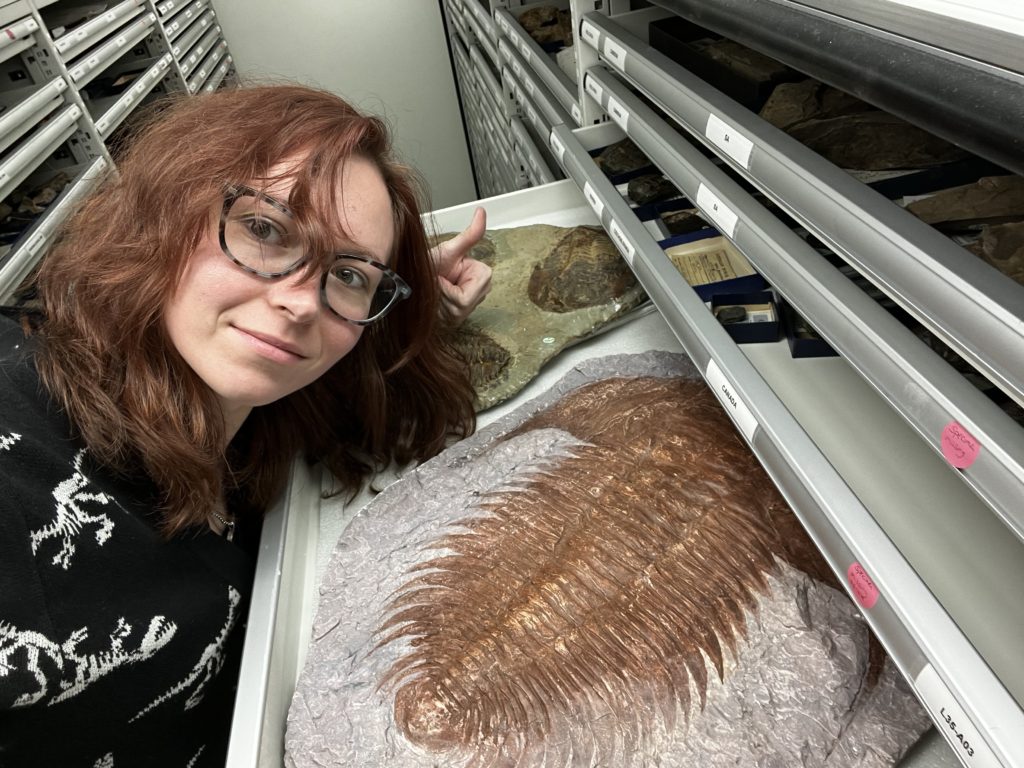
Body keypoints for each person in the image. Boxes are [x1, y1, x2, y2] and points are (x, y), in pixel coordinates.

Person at [0, 83, 491, 767]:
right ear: (166, 209)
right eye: (265, 230)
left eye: (346, 273)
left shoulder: (260, 400)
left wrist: (411, 305)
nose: (297, 303)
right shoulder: (18, 455)